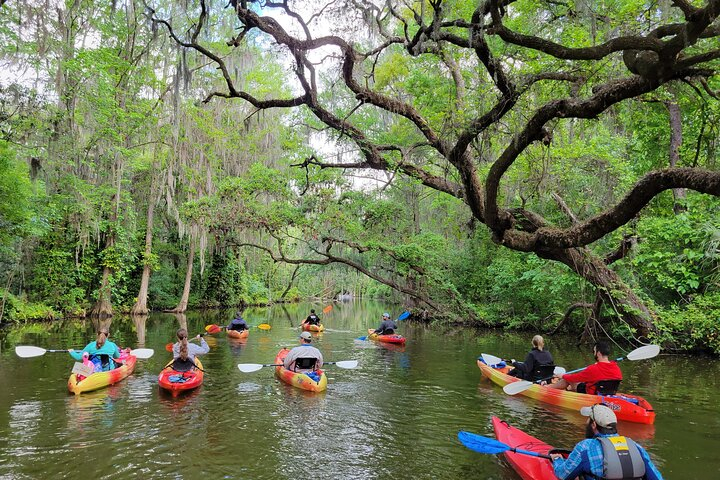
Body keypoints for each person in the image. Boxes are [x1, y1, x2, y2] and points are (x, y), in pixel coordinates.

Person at [551, 404, 663, 479]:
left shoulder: (585, 447)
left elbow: (563, 474)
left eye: (588, 420)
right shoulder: (636, 446)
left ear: (594, 425)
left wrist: (557, 460)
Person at [547, 340, 622, 394]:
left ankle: (548, 389)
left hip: (591, 393)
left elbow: (574, 378)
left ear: (598, 353)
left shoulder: (593, 368)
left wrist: (563, 375)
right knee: (579, 381)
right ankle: (565, 389)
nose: (593, 353)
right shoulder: (617, 368)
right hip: (608, 392)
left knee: (568, 379)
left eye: (594, 352)